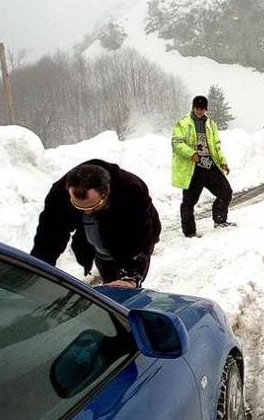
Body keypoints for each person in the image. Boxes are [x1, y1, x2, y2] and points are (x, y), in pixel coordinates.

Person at [31, 160, 161, 287]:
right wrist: (37, 270)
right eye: (78, 206)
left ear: (107, 192)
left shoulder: (131, 190)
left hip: (128, 237)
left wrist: (131, 277)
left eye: (93, 207)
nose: (87, 213)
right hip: (97, 243)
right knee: (109, 278)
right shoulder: (59, 194)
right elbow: (49, 234)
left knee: (124, 287)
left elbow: (141, 238)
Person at [172, 95, 234, 237]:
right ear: (193, 107)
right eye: (197, 107)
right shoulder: (183, 122)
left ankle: (220, 220)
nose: (199, 110)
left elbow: (216, 146)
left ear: (206, 109)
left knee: (226, 192)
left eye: (202, 108)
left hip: (209, 165)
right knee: (189, 202)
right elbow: (176, 143)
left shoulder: (211, 124)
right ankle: (190, 232)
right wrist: (191, 154)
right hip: (193, 167)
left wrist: (223, 162)